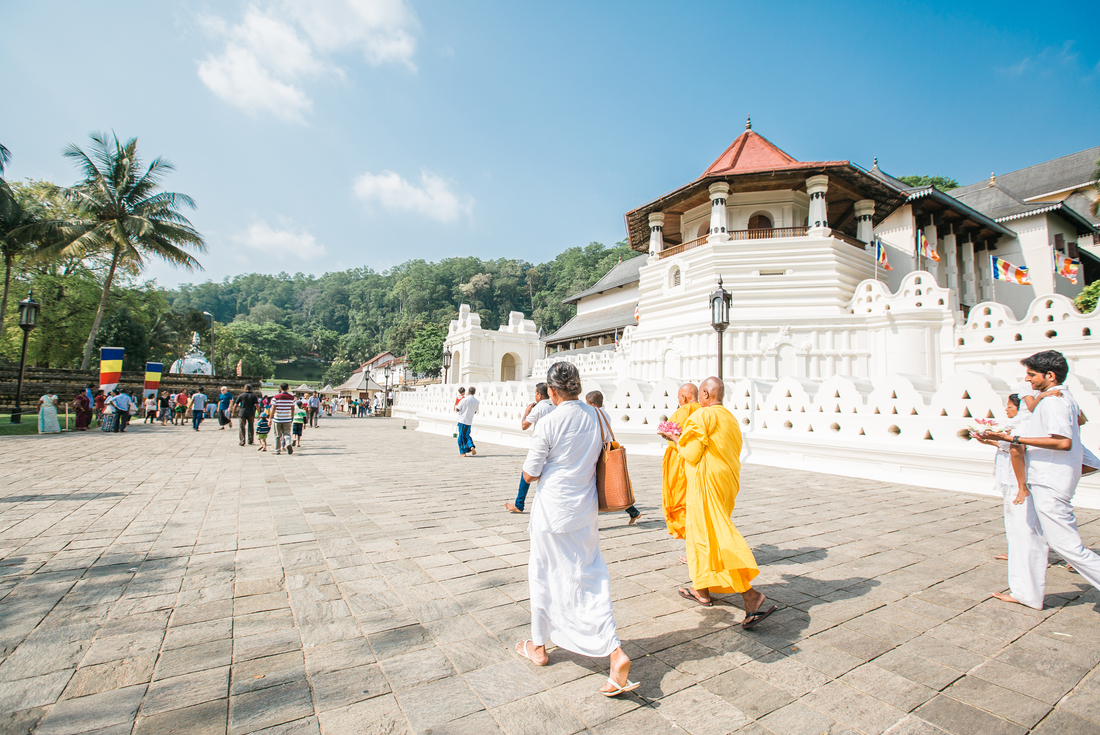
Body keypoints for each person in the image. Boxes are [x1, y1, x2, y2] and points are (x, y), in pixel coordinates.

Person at [514, 362, 638, 697]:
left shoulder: (550, 421)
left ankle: (538, 646)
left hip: (552, 515)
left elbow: (531, 472)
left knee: (542, 574)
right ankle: (613, 651)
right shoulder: (599, 416)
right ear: (578, 387)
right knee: (589, 576)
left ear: (552, 391)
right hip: (585, 512)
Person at [983, 351, 1100, 609]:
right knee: (1031, 535)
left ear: (1050, 375)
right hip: (1045, 478)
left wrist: (1014, 439)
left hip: (1050, 481)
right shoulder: (1054, 399)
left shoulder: (1055, 401)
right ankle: (1027, 594)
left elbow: (1062, 441)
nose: (1028, 380)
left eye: (1032, 374)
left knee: (1067, 546)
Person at [658, 377, 777, 628]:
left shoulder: (702, 416)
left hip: (706, 485)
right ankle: (701, 589)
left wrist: (673, 439)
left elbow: (690, 455)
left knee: (716, 536)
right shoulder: (730, 418)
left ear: (704, 393)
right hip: (725, 484)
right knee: (702, 535)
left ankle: (750, 595)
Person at [585, 391, 641, 524]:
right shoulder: (605, 415)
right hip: (604, 451)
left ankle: (590, 520)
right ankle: (633, 511)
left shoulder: (593, 415)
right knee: (609, 485)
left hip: (596, 453)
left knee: (594, 486)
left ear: (593, 404)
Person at [662, 383, 701, 554]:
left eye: (679, 397)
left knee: (680, 505)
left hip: (680, 463)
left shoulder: (682, 411)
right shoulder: (703, 410)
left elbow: (669, 435)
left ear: (684, 397)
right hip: (698, 463)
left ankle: (695, 551)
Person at [505, 383, 555, 513]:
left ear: (539, 395)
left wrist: (527, 412)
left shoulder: (538, 408)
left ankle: (519, 504)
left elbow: (524, 426)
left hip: (540, 444)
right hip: (556, 444)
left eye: (535, 393)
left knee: (526, 472)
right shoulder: (555, 406)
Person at [271, 383, 296, 455]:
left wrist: (270, 417)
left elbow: (273, 408)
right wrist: (292, 416)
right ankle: (288, 443)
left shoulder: (276, 397)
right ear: (288, 389)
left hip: (278, 418)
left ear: (280, 388)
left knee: (277, 435)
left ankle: (277, 450)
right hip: (287, 418)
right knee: (287, 433)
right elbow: (293, 408)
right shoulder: (292, 397)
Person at [456, 387, 479, 456]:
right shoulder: (476, 401)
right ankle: (471, 446)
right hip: (469, 421)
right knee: (467, 435)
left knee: (460, 437)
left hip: (462, 420)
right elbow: (475, 411)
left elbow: (457, 408)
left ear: (468, 392)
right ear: (474, 393)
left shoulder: (464, 400)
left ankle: (462, 452)